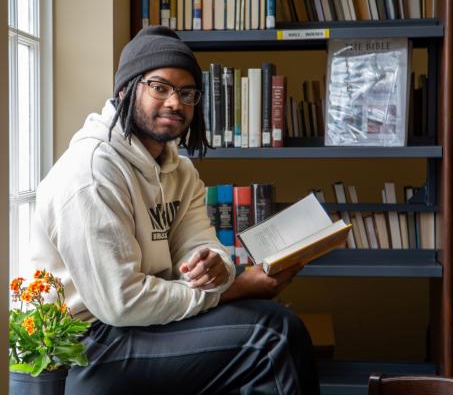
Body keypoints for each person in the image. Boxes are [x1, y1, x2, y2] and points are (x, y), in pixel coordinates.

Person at [30, 25, 320, 395]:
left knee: (280, 324)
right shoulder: (91, 174)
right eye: (160, 87)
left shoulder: (179, 170)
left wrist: (215, 265)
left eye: (186, 93)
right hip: (87, 345)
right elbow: (121, 303)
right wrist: (230, 291)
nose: (175, 102)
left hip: (144, 327)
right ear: (124, 90)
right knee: (271, 335)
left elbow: (203, 243)